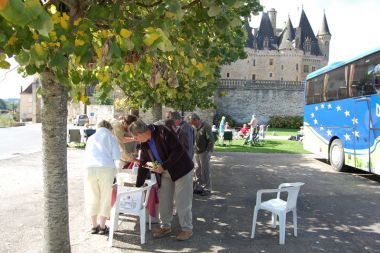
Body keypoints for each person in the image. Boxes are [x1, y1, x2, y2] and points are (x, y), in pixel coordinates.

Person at [129, 119, 194, 241]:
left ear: (140, 132)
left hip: (182, 170)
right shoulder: (144, 143)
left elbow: (178, 150)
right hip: (166, 172)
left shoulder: (162, 131)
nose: (135, 140)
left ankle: (187, 229)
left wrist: (163, 166)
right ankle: (165, 227)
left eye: (135, 137)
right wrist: (138, 186)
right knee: (164, 199)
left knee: (182, 201)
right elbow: (144, 164)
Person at [84, 120, 120, 235]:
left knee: (92, 196)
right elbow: (117, 156)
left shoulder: (91, 138)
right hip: (106, 168)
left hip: (90, 168)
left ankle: (94, 226)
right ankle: (102, 226)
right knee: (105, 196)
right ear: (109, 128)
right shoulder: (112, 138)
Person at [190, 113, 215, 196]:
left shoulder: (206, 126)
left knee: (205, 170)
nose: (192, 125)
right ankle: (199, 187)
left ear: (196, 120)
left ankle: (207, 188)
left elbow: (211, 140)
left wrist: (208, 151)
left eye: (193, 123)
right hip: (197, 151)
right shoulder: (194, 127)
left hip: (204, 152)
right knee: (197, 169)